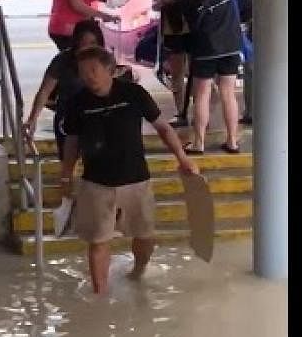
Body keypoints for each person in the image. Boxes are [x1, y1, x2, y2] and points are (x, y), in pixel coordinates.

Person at [61, 46, 199, 294]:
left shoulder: (133, 93)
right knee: (98, 240)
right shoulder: (77, 103)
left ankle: (138, 270)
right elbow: (72, 141)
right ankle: (100, 294)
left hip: (136, 178)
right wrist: (66, 173)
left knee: (145, 236)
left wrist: (182, 157)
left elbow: (163, 128)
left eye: (94, 70)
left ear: (110, 70)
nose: (88, 76)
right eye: (83, 72)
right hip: (96, 182)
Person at [175, 0, 252, 154]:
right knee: (228, 94)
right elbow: (250, 6)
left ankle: (199, 143)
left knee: (202, 95)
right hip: (230, 47)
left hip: (204, 49)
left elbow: (187, 24)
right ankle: (232, 141)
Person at [24, 20, 105, 159]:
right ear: (76, 43)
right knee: (69, 158)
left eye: (92, 43)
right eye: (83, 43)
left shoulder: (104, 60)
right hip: (67, 118)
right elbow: (45, 91)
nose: (87, 49)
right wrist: (32, 119)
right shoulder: (63, 61)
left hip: (96, 116)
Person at [152, 0, 192, 127]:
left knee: (198, 73)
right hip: (172, 30)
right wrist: (163, 1)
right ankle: (181, 112)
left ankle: (203, 111)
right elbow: (154, 5)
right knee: (177, 74)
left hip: (195, 28)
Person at [48, 0, 119, 51]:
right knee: (82, 57)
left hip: (61, 27)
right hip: (68, 28)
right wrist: (105, 16)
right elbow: (78, 5)